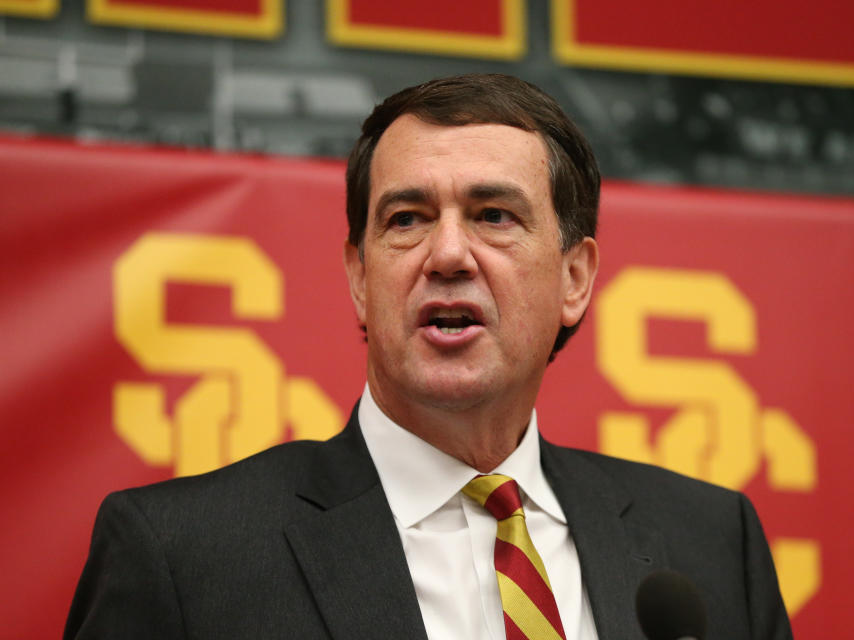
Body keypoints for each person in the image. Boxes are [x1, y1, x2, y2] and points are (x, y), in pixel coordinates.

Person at [65, 74, 793, 639]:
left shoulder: (708, 546)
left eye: (494, 216)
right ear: (359, 277)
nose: (447, 254)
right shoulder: (183, 557)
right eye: (407, 219)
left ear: (574, 279)